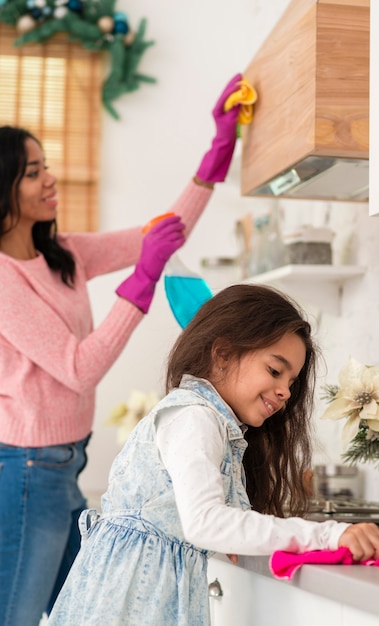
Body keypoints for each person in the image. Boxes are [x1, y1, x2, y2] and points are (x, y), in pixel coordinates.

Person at [0, 72, 243, 626]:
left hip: (63, 466)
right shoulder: (3, 277)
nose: (50, 179)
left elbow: (164, 230)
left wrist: (217, 151)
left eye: (47, 165)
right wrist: (144, 277)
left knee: (87, 612)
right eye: (33, 172)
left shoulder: (62, 253)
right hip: (28, 471)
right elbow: (78, 369)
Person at [47, 284, 379, 626]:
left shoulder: (213, 424)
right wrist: (327, 534)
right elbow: (205, 522)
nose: (285, 391)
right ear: (222, 354)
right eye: (275, 370)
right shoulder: (194, 417)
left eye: (292, 380)